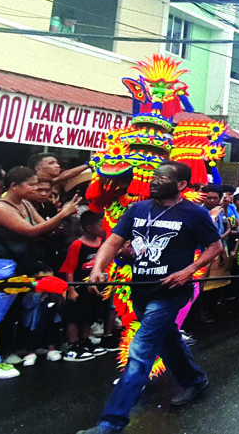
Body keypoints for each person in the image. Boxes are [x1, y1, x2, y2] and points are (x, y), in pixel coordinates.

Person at [76, 161, 223, 434]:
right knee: (169, 340)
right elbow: (113, 241)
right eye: (154, 177)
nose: (154, 181)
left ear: (181, 185)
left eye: (163, 178)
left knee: (140, 351)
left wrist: (188, 271)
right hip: (140, 289)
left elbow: (215, 246)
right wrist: (98, 268)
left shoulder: (194, 214)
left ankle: (112, 421)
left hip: (171, 293)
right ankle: (194, 380)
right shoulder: (138, 209)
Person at [0, 166, 79, 379]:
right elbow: (31, 231)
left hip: (15, 264)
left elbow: (44, 225)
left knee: (0, 316)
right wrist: (63, 213)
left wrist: (57, 221)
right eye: (31, 185)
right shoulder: (0, 208)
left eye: (37, 185)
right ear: (13, 187)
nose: (36, 189)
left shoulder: (26, 204)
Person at [59, 211, 116, 361]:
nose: (104, 227)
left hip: (94, 287)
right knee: (74, 316)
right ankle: (72, 345)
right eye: (100, 225)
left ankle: (85, 341)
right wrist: (71, 289)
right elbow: (69, 269)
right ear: (89, 228)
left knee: (88, 315)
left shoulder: (101, 242)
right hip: (78, 287)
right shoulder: (77, 245)